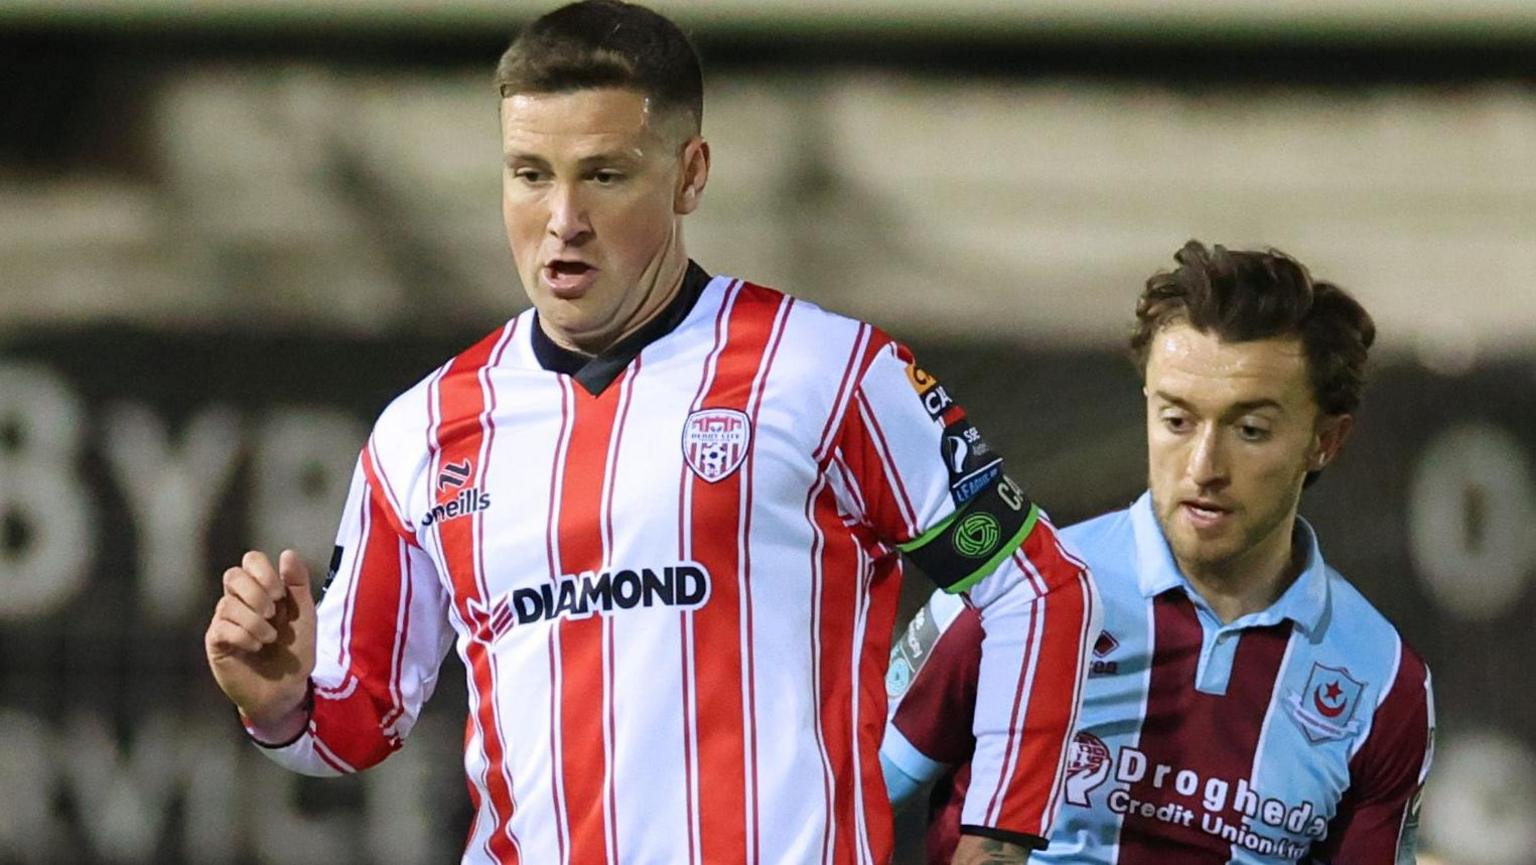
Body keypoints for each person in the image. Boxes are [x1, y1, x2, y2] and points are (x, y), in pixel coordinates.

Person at [202, 2, 1098, 863]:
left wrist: (997, 837)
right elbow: (357, 721)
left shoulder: (826, 373)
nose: (563, 220)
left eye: (603, 173)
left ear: (690, 174)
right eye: (529, 174)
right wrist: (282, 706)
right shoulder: (425, 431)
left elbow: (1038, 586)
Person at [882, 241, 1435, 864]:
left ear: (1325, 441)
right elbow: (836, 798)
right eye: (1177, 421)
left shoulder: (1382, 681)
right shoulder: (1020, 595)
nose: (1204, 467)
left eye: (1250, 430)